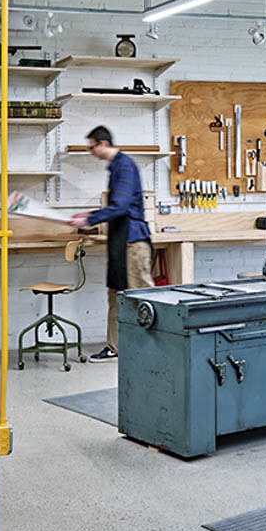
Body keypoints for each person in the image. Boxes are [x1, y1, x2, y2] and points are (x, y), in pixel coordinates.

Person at [68, 125, 154, 360]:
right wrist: (87, 216)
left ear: (103, 143)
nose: (91, 152)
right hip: (120, 242)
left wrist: (91, 218)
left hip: (133, 243)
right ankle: (115, 347)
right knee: (116, 296)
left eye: (91, 147)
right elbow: (115, 205)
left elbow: (121, 206)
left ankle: (157, 347)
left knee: (143, 297)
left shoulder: (125, 166)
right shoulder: (115, 167)